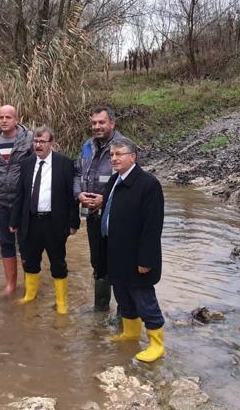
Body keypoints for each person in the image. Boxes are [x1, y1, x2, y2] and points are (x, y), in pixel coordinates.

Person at [100, 137, 165, 362]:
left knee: (144, 299)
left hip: (137, 255)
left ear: (133, 157)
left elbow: (153, 226)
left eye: (119, 154)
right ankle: (130, 333)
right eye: (112, 155)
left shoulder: (148, 184)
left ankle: (156, 344)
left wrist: (146, 259)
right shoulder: (114, 181)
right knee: (123, 297)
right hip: (116, 251)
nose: (114, 159)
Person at [9, 126, 79, 314]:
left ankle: (61, 302)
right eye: (36, 141)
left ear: (51, 144)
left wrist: (74, 222)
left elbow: (71, 195)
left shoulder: (64, 163)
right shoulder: (26, 163)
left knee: (58, 262)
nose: (38, 145)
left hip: (54, 222)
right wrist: (14, 220)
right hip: (31, 221)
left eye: (42, 142)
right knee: (31, 260)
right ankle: (30, 295)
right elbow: (20, 194)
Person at [74, 106, 128, 312]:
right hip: (93, 216)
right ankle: (101, 310)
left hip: (117, 218)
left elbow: (130, 182)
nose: (97, 127)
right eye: (94, 123)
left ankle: (125, 312)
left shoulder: (124, 147)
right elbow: (78, 173)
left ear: (112, 123)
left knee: (121, 264)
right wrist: (78, 194)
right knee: (97, 262)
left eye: (101, 122)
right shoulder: (88, 145)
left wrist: (104, 199)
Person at [0, 105, 33, 297]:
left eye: (8, 117)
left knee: (26, 243)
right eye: (0, 117)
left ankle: (30, 285)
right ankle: (11, 284)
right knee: (6, 243)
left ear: (17, 119)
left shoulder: (29, 140)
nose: (4, 120)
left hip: (24, 201)